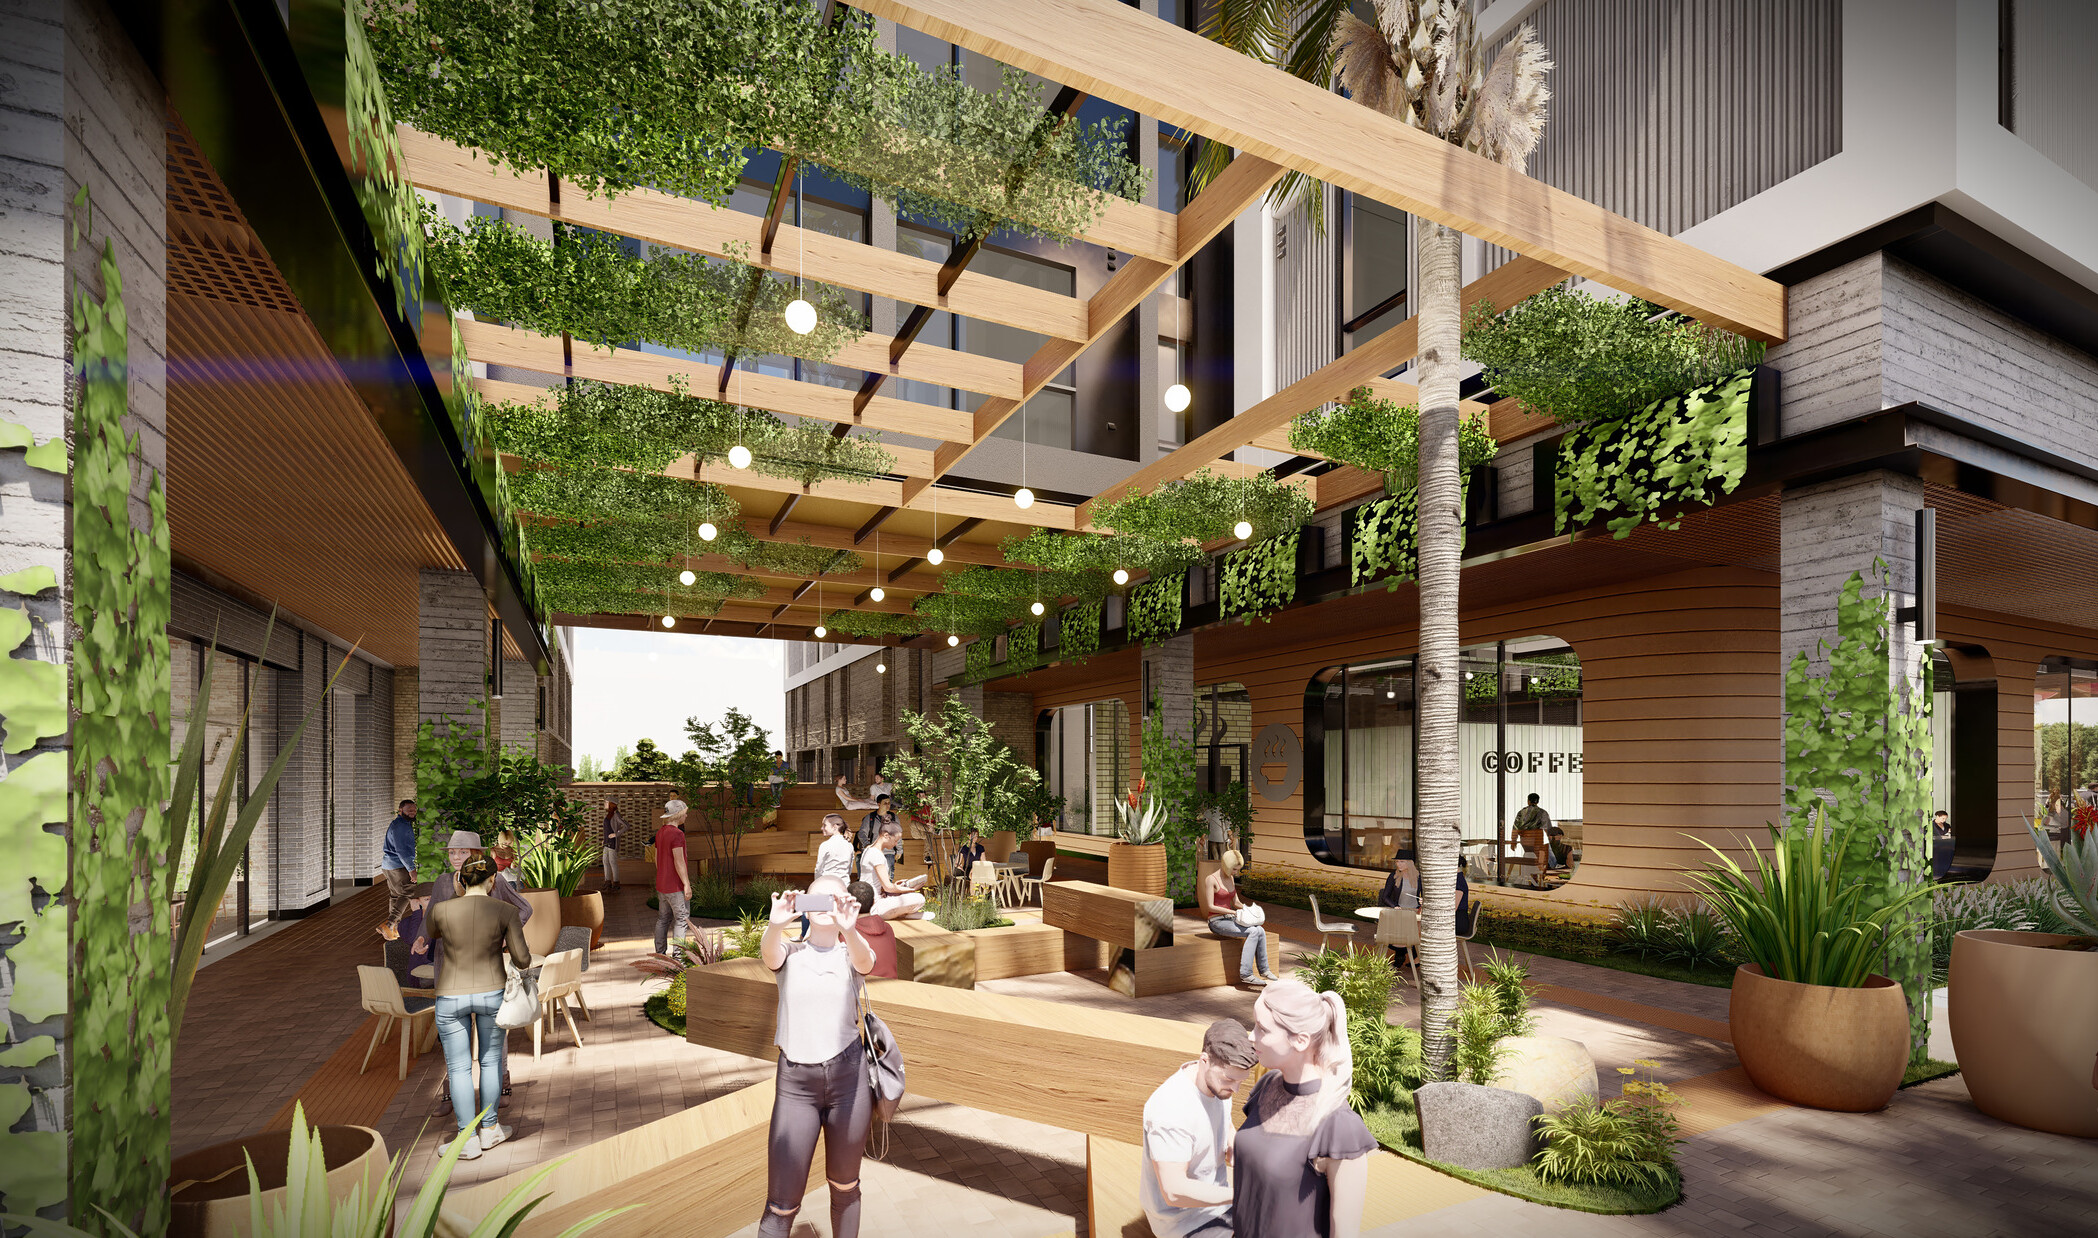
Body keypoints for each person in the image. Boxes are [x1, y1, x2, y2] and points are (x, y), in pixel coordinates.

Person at [757, 876, 877, 1238]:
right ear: (806, 906)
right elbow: (769, 954)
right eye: (818, 899)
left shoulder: (851, 952)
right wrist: (776, 925)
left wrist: (850, 930)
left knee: (845, 1188)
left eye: (835, 898)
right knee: (781, 1205)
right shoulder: (790, 954)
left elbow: (867, 963)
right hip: (796, 1086)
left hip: (849, 1082)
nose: (827, 905)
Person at [1234, 980, 1374, 1238]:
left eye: (1262, 1029)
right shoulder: (1267, 1087)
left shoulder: (1339, 1126)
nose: (1251, 1035)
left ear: (1300, 1041)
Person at [413, 831, 535, 1114]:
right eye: (452, 853)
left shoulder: (494, 880)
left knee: (493, 1034)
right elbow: (431, 915)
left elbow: (524, 909)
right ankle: (452, 1091)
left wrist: (506, 936)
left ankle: (502, 1081)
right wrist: (421, 939)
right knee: (455, 1036)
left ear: (475, 854)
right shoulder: (443, 882)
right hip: (449, 967)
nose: (457, 858)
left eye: (463, 853)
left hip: (486, 969)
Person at [425, 855, 529, 1160]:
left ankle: (466, 1138)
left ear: (461, 880)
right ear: (492, 881)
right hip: (491, 993)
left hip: (450, 996)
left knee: (458, 1068)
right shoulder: (505, 910)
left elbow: (431, 933)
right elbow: (522, 959)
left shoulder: (442, 910)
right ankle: (491, 1129)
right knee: (489, 1062)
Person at [1141, 1019, 1258, 1238]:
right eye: (1230, 1079)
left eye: (1241, 1081)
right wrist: (1241, 1195)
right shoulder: (1171, 1109)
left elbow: (1222, 1122)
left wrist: (1233, 1141)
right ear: (1204, 1060)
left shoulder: (1217, 1085)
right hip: (1182, 1221)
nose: (1235, 1088)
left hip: (1219, 1203)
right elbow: (1174, 1191)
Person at [1201, 849, 1280, 987]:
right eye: (1234, 869)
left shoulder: (1230, 878)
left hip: (1231, 918)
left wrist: (1248, 909)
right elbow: (1210, 906)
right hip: (1216, 921)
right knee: (1253, 931)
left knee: (1260, 930)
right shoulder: (1211, 879)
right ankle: (1246, 974)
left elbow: (1236, 903)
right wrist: (1231, 913)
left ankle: (1264, 970)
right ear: (1226, 866)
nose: (1236, 873)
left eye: (1237, 870)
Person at [863, 819, 927, 919]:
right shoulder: (876, 855)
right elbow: (888, 887)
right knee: (919, 898)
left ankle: (904, 914)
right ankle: (906, 914)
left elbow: (884, 886)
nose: (896, 844)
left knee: (909, 896)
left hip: (875, 900)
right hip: (874, 906)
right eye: (895, 840)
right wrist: (910, 889)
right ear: (886, 836)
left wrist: (898, 886)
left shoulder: (869, 850)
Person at [376, 798, 419, 940]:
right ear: (401, 811)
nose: (412, 812)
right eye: (409, 810)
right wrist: (411, 869)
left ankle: (393, 928)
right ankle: (391, 923)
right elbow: (401, 850)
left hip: (388, 865)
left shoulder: (400, 823)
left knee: (395, 895)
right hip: (397, 866)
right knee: (409, 890)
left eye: (414, 810)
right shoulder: (401, 826)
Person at [655, 799, 693, 954]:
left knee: (662, 920)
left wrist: (663, 874)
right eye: (684, 813)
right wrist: (686, 884)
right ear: (678, 815)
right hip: (675, 886)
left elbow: (657, 860)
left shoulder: (660, 832)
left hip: (662, 885)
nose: (686, 816)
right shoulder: (677, 834)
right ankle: (678, 959)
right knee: (682, 920)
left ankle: (660, 955)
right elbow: (679, 861)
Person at [847, 880, 898, 978]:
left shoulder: (848, 935)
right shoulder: (888, 928)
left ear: (848, 903)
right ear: (874, 902)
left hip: (863, 990)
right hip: (893, 984)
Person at [815, 813, 855, 885]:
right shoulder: (849, 845)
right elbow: (849, 869)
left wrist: (817, 884)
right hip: (844, 884)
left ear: (834, 827)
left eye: (824, 825)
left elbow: (819, 869)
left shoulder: (825, 845)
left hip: (826, 884)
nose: (822, 828)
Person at [601, 801, 627, 894]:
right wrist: (604, 839)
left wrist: (616, 834)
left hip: (612, 842)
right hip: (606, 842)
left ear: (611, 804)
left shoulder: (616, 815)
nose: (604, 804)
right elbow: (607, 828)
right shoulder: (608, 814)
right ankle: (607, 882)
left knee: (612, 862)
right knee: (605, 861)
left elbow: (626, 826)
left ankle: (616, 883)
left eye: (606, 803)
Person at [1932, 809, 1956, 881]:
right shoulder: (1932, 825)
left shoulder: (1947, 825)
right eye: (1943, 818)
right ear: (1937, 816)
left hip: (1947, 845)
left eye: (1945, 819)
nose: (1944, 820)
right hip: (1937, 846)